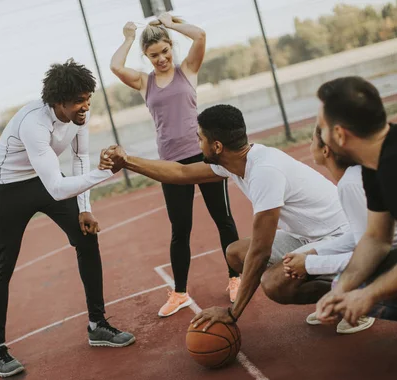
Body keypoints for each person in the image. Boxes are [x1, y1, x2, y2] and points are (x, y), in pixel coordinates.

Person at [99, 104, 348, 331]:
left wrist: (232, 313)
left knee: (274, 284)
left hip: (340, 237)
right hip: (307, 237)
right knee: (236, 253)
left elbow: (261, 251)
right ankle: (334, 291)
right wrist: (127, 161)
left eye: (200, 139)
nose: (197, 145)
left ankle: (353, 291)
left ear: (217, 146)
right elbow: (181, 172)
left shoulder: (264, 172)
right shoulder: (236, 162)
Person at [0, 59, 135, 378]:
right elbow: (56, 188)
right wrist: (105, 172)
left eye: (88, 99)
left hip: (44, 179)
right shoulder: (33, 123)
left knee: (87, 236)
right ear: (58, 102)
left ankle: (97, 325)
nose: (85, 106)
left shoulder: (79, 115)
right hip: (9, 190)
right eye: (79, 101)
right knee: (4, 262)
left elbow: (79, 157)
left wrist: (84, 207)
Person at [109, 13, 241, 316]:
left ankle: (235, 278)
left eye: (165, 51)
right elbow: (116, 66)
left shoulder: (188, 70)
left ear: (171, 47)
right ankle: (180, 292)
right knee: (180, 229)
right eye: (154, 55)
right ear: (147, 56)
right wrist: (129, 37)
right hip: (170, 163)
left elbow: (200, 36)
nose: (162, 58)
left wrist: (169, 23)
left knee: (223, 219)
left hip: (203, 156)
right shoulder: (145, 82)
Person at [314, 76, 397, 367]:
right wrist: (343, 288)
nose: (319, 133)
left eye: (320, 126)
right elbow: (376, 238)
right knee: (365, 274)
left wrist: (367, 296)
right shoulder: (376, 160)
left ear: (339, 134)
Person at [283, 124, 397, 334]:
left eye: (312, 140)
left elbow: (368, 257)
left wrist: (309, 264)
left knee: (343, 286)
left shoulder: (351, 183)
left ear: (326, 150)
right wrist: (316, 251)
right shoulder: (357, 174)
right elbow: (367, 233)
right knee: (342, 282)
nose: (309, 145)